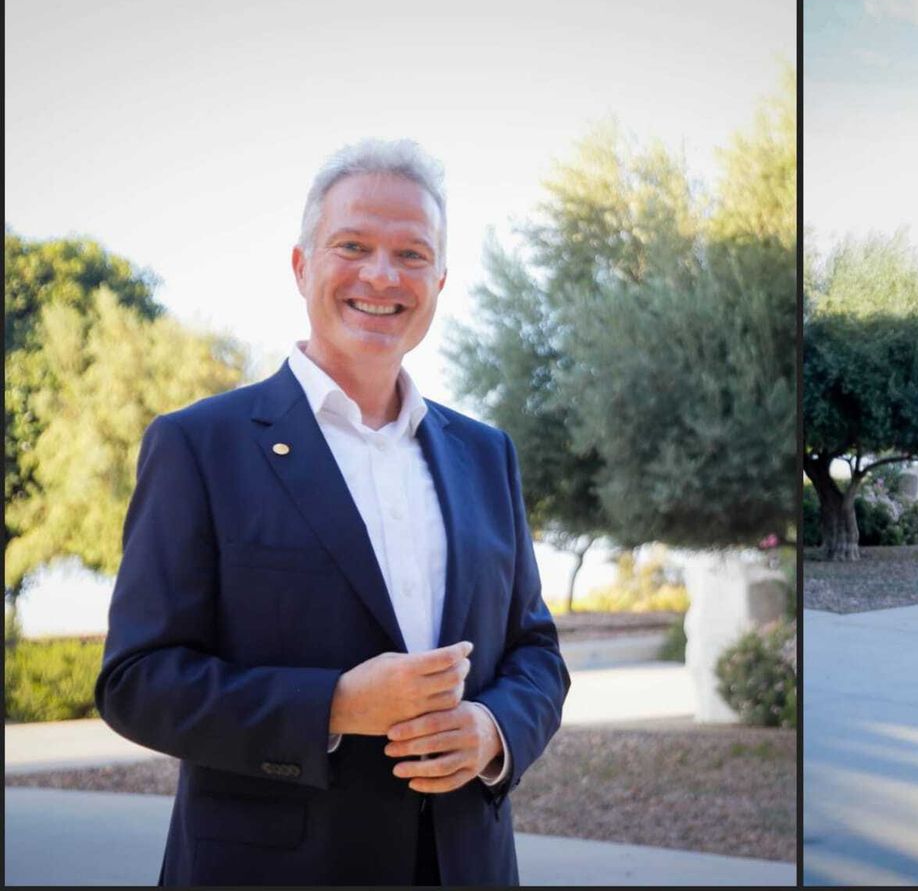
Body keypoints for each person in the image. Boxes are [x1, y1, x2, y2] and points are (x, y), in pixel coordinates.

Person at [95, 138, 570, 885]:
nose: (382, 275)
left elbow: (535, 650)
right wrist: (337, 704)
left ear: (440, 279)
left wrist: (492, 730)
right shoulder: (199, 445)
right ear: (301, 265)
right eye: (353, 245)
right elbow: (136, 680)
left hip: (469, 865)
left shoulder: (487, 454)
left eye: (412, 255)